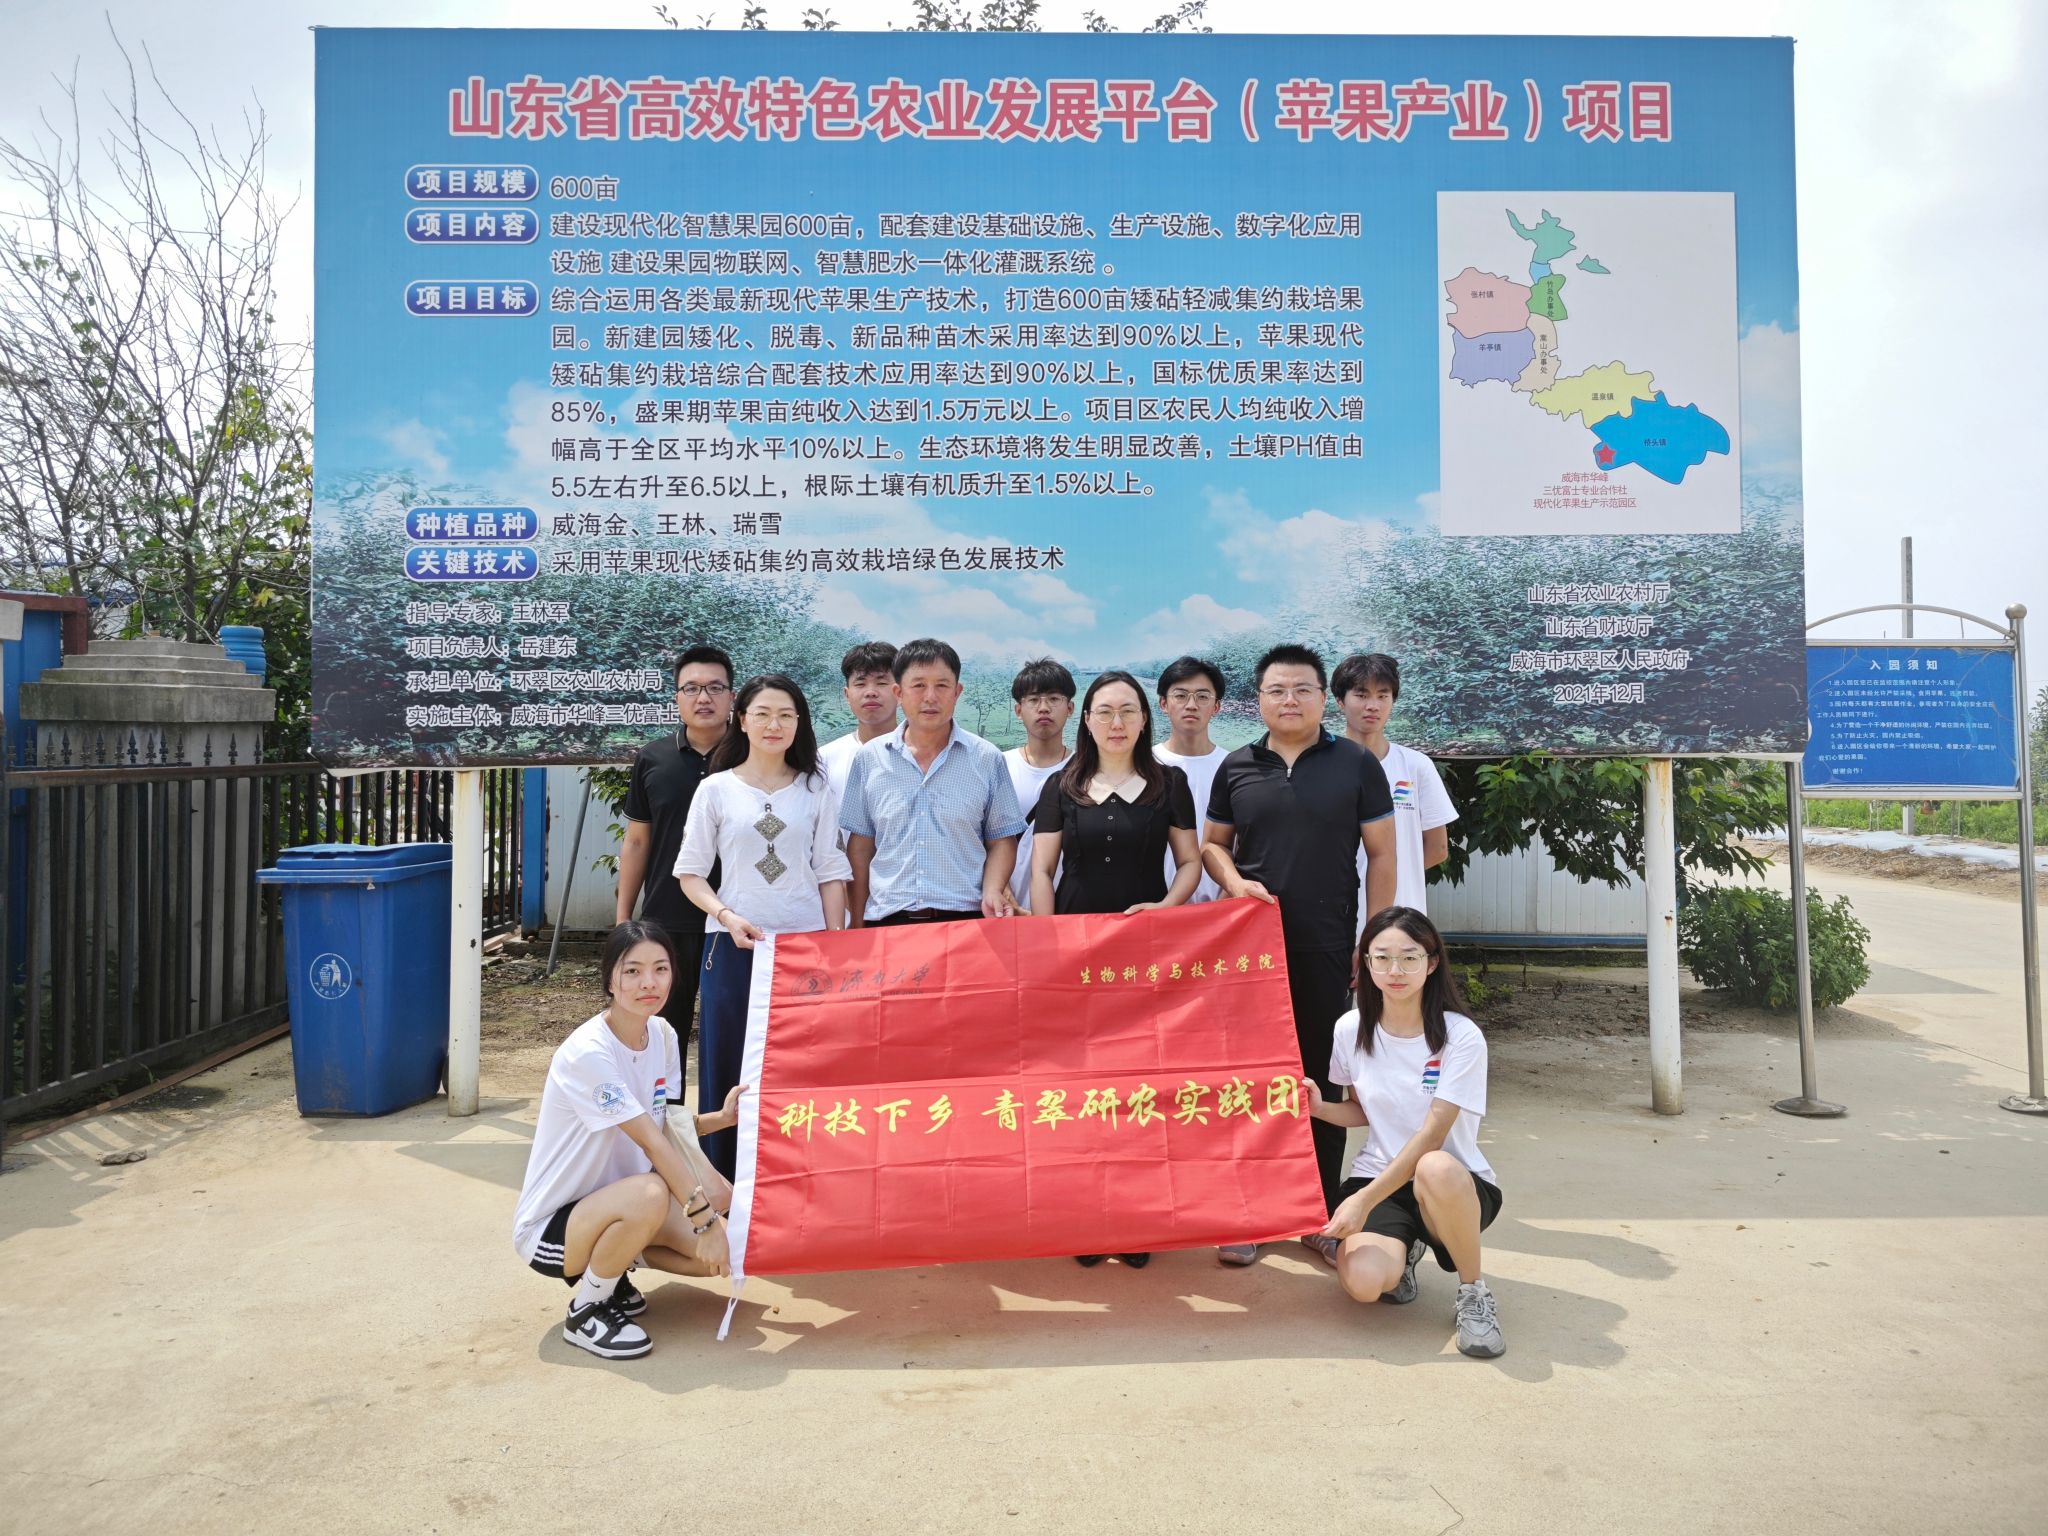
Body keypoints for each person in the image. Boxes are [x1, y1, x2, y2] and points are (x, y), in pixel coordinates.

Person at [1201, 643, 1397, 1263]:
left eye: (1302, 689)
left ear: (1321, 698)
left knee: (1321, 1072)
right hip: (1250, 952)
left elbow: (1382, 854)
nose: (1290, 700)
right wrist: (1234, 883)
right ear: (1258, 699)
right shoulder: (1236, 766)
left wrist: (1374, 940)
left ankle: (1315, 1212)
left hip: (1329, 943)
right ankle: (1250, 1211)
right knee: (1251, 1073)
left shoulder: (1356, 764)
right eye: (1277, 690)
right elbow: (1213, 846)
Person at [1027, 670, 1201, 1271]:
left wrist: (1165, 909)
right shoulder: (1062, 784)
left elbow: (1189, 863)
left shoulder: (1170, 783)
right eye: (1105, 711)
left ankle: (1136, 1217)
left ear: (1145, 718)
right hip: (1075, 958)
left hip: (1143, 958)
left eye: (1128, 710)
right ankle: (1086, 1213)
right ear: (1088, 720)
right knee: (1080, 1089)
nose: (1117, 722)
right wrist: (1049, 945)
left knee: (1139, 1089)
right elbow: (1041, 871)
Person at [511, 920, 746, 1361]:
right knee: (654, 1192)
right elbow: (653, 1145)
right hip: (553, 1227)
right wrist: (705, 1221)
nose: (648, 983)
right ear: (610, 981)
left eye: (660, 969)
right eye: (633, 971)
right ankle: (587, 1309)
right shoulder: (590, 1053)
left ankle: (612, 1267)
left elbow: (662, 1126)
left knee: (725, 1254)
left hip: (620, 1204)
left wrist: (722, 1119)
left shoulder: (663, 1036)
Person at [1300, 907, 1505, 1358]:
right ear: (1365, 963)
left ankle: (1473, 1292)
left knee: (1434, 1165)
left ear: (1431, 963)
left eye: (1410, 958)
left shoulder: (1461, 1037)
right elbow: (1362, 1111)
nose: (1395, 971)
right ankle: (1405, 1250)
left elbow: (1432, 1136)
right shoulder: (1350, 1028)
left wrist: (1362, 1201)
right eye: (1383, 957)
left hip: (1452, 1185)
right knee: (1363, 1284)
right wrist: (1319, 1109)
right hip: (1381, 1176)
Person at [675, 673, 851, 1180]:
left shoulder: (816, 789)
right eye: (763, 714)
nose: (775, 725)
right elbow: (690, 874)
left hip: (804, 950)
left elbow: (831, 872)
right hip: (733, 946)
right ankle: (725, 1183)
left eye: (786, 715)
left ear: (799, 723)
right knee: (727, 1061)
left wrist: (835, 946)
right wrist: (726, 916)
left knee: (803, 1064)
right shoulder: (715, 789)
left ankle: (798, 1177)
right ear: (742, 720)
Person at [839, 637, 1025, 927]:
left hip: (967, 922)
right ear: (899, 692)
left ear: (957, 691)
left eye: (941, 685)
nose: (930, 697)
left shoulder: (987, 758)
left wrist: (993, 889)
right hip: (889, 921)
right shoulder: (869, 759)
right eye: (918, 685)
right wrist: (858, 924)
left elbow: (1001, 840)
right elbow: (861, 848)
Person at [616, 645, 733, 1049]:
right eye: (692, 688)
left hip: (737, 917)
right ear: (677, 697)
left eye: (715, 688)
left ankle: (729, 1097)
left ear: (732, 697)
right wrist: (623, 919)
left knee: (733, 1032)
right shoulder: (654, 758)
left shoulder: (752, 756)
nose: (704, 698)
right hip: (667, 917)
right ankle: (666, 1095)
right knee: (664, 1034)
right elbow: (637, 841)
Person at [1333, 652, 1459, 928]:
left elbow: (1438, 848)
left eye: (1383, 695)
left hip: (1401, 918)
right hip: (1332, 917)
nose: (1373, 705)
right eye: (1361, 695)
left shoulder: (1416, 765)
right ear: (1340, 701)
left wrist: (1390, 876)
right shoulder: (1321, 767)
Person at [1152, 656, 1230, 905]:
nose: (1191, 705)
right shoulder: (1144, 765)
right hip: (1153, 905)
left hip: (1220, 906)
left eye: (1202, 696)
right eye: (1181, 695)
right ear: (1163, 703)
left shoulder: (1234, 767)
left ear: (1216, 706)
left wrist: (1226, 900)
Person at [1003, 656, 1075, 913]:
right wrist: (1004, 895)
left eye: (1054, 699)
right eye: (1033, 700)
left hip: (1071, 910)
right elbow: (982, 841)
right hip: (1007, 909)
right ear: (1018, 710)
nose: (1043, 708)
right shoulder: (999, 766)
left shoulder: (1086, 770)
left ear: (1070, 708)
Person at [818, 640, 900, 788]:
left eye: (881, 683)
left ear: (900, 693)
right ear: (847, 695)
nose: (870, 692)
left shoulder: (922, 755)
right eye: (860, 684)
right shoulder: (824, 760)